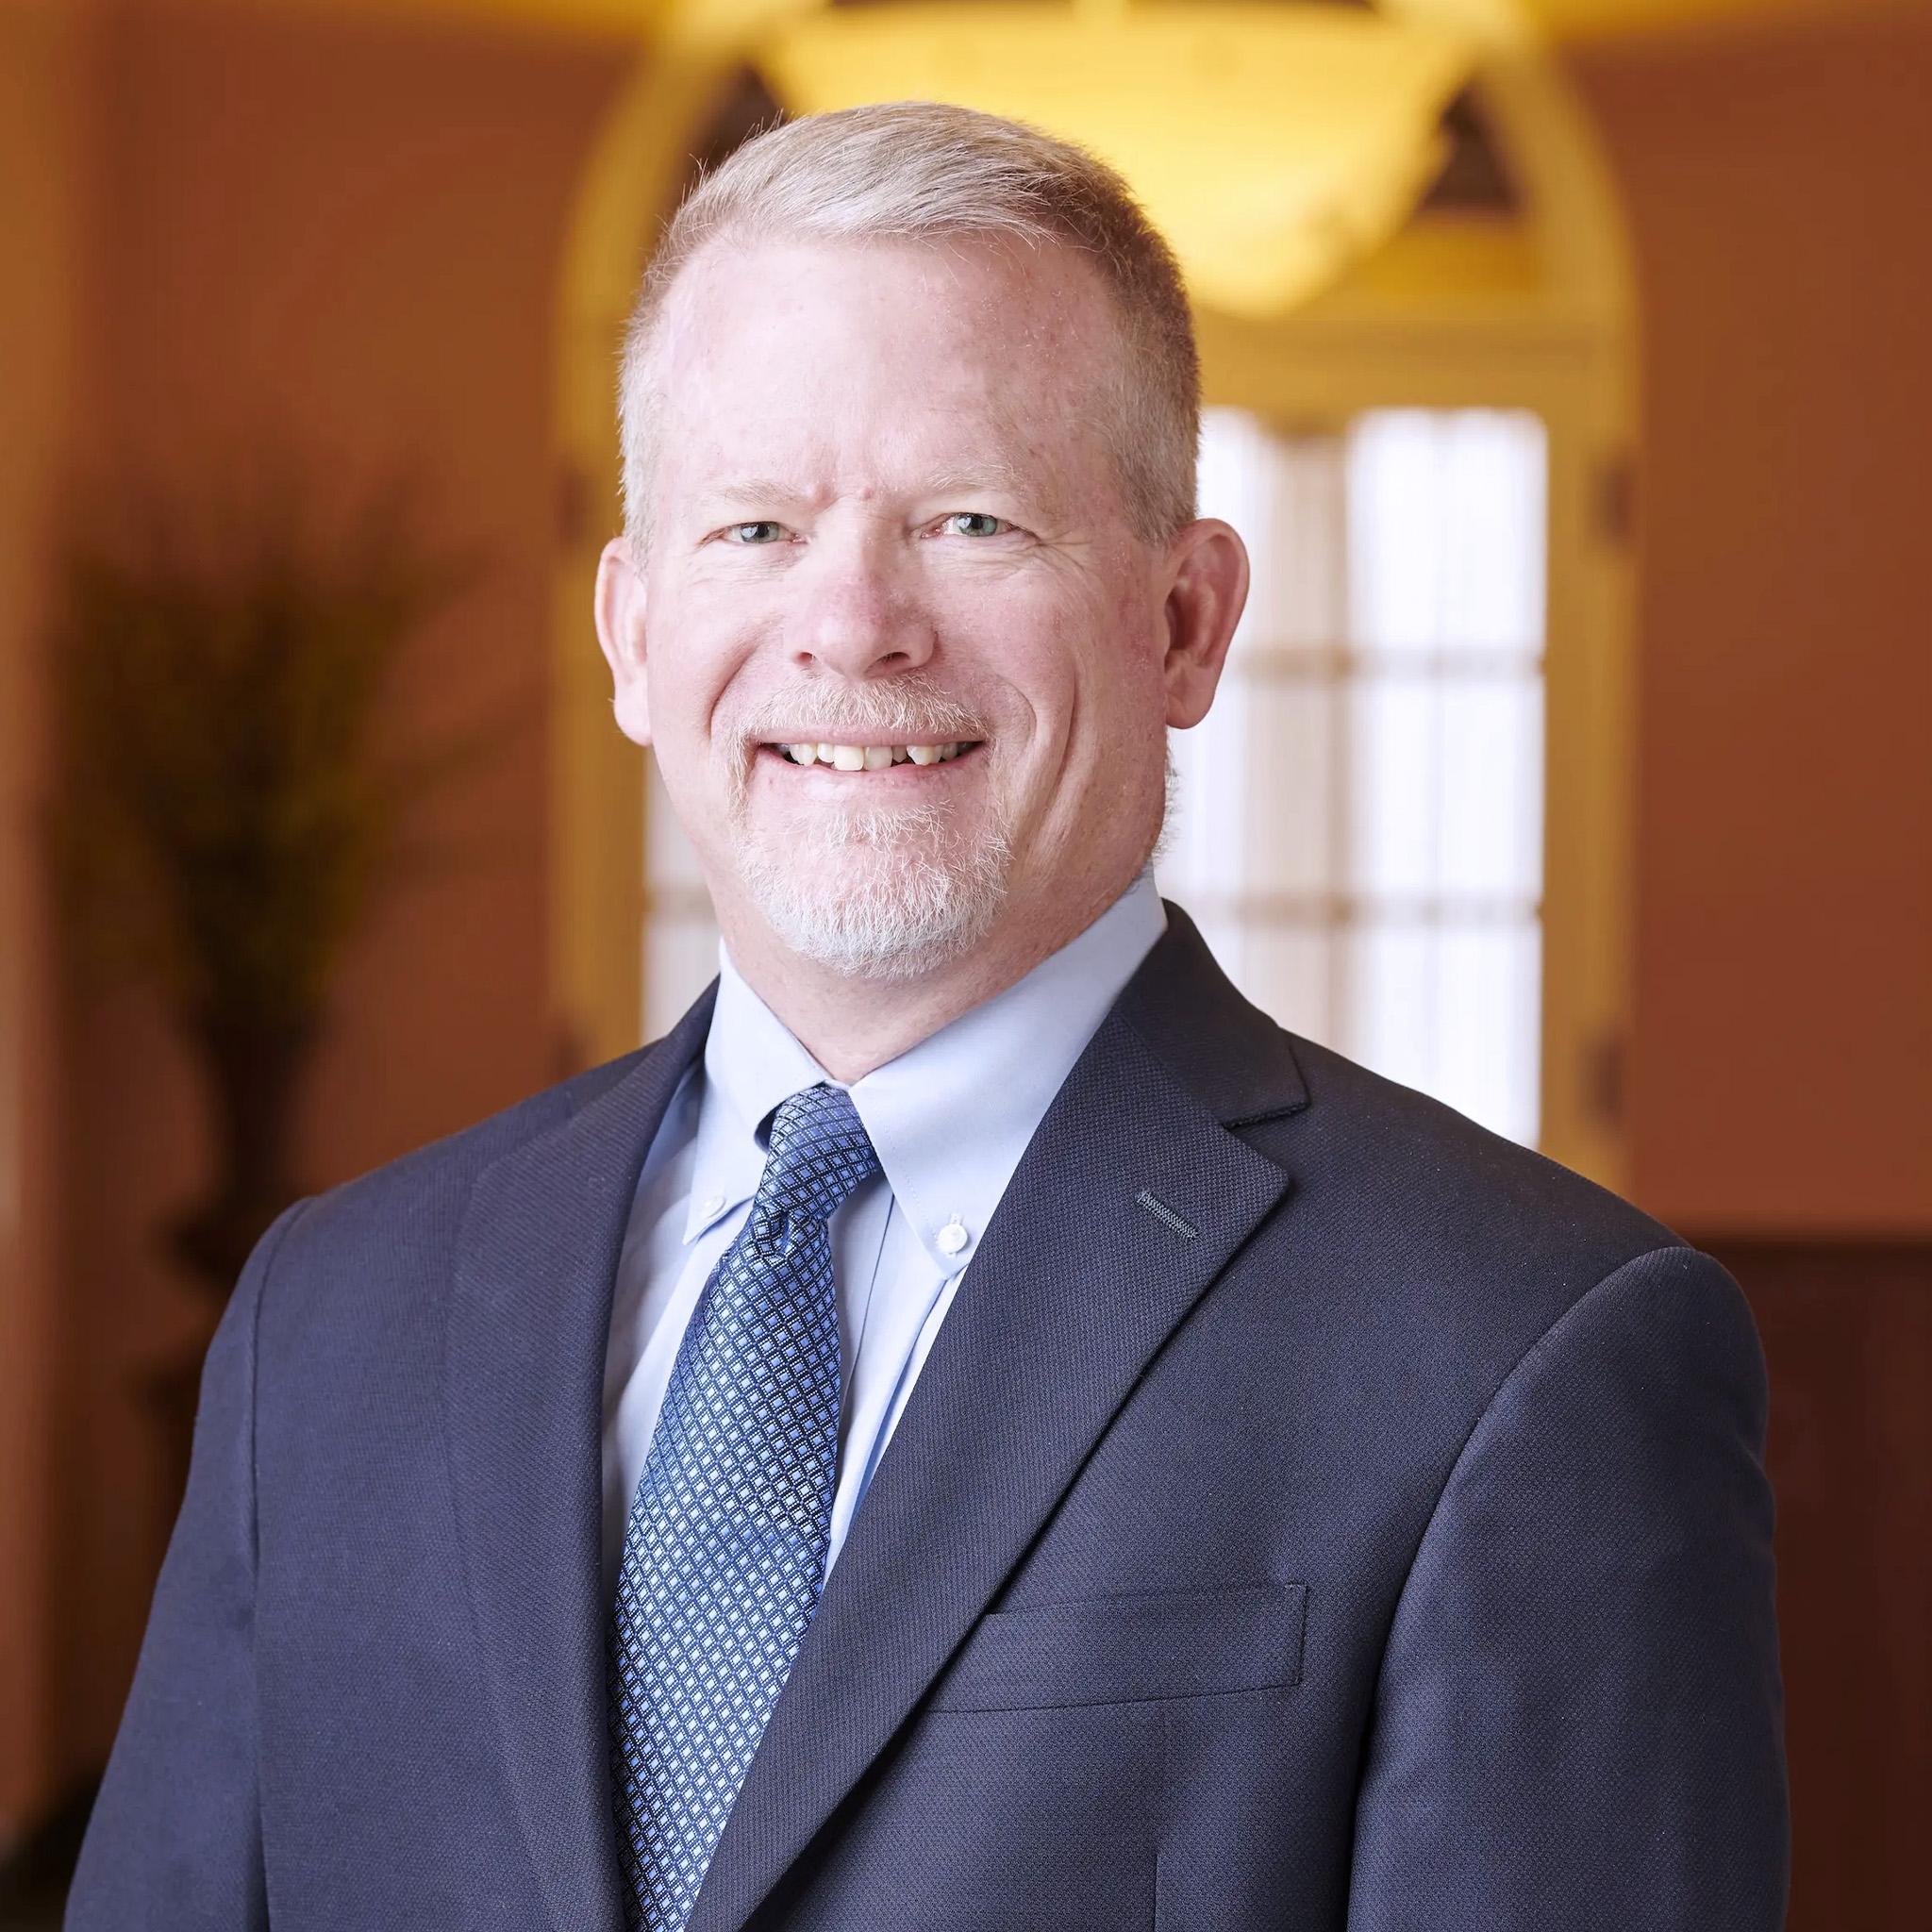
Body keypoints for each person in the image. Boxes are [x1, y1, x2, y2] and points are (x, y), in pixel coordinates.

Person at [68, 102, 1788, 1932]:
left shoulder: (1521, 1356)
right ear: (634, 632)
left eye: (972, 519)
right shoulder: (327, 1326)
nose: (853, 623)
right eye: (754, 524)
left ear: (1186, 619)